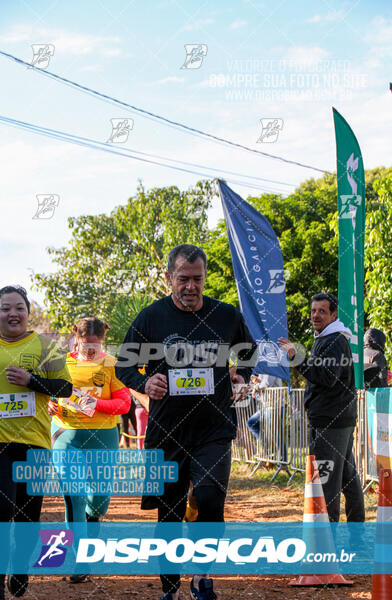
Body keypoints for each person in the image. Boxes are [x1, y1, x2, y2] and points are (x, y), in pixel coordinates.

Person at [115, 244, 256, 600]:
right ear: (169, 279)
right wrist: (145, 382)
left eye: (197, 279)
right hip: (167, 433)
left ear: (205, 277)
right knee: (169, 513)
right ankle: (170, 589)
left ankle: (201, 577)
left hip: (214, 427)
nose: (191, 286)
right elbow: (123, 366)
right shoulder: (150, 318)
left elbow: (248, 351)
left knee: (210, 500)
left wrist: (241, 376)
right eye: (183, 279)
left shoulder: (226, 315)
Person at [0, 285, 72, 600]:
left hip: (35, 444)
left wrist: (32, 381)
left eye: (19, 308)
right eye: (5, 308)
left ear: (27, 312)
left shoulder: (46, 346)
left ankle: (21, 565)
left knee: (27, 515)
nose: (13, 313)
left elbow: (65, 388)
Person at [49, 317, 131, 582]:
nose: (91, 351)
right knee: (74, 495)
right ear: (76, 337)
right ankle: (79, 559)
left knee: (98, 502)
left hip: (102, 437)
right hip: (65, 435)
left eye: (96, 346)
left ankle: (89, 526)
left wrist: (95, 405)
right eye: (86, 346)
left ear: (103, 341)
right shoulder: (62, 363)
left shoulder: (111, 365)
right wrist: (51, 404)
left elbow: (124, 404)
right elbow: (48, 393)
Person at [278, 292, 365, 523]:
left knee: (327, 483)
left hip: (332, 423)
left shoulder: (334, 340)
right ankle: (356, 534)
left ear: (333, 315)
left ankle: (329, 538)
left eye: (322, 311)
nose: (316, 315)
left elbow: (326, 376)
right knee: (347, 477)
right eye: (314, 310)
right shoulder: (327, 338)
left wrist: (296, 357)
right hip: (334, 420)